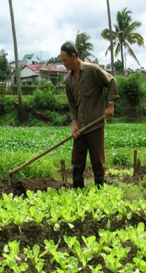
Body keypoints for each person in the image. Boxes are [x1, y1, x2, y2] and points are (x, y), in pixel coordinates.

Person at [60, 41, 119, 188]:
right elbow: (72, 104)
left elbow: (111, 81)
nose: (64, 64)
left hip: (95, 124)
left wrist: (111, 105)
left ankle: (100, 191)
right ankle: (78, 192)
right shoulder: (68, 80)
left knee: (97, 161)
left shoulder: (92, 70)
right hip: (80, 127)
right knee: (77, 162)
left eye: (65, 60)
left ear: (73, 56)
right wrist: (74, 123)